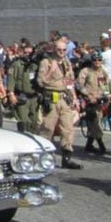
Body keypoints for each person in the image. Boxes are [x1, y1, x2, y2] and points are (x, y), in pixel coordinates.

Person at [37, 39, 82, 169]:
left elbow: (70, 82)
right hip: (51, 98)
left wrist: (74, 98)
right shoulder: (47, 62)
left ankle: (66, 158)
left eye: (64, 50)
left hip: (65, 98)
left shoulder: (67, 63)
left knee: (68, 129)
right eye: (59, 50)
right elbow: (40, 82)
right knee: (47, 128)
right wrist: (51, 71)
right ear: (54, 49)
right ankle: (44, 157)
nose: (62, 52)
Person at [76, 51, 110, 155]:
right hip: (89, 102)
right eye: (95, 59)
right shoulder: (85, 71)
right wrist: (88, 95)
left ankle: (89, 144)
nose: (97, 62)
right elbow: (79, 85)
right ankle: (101, 144)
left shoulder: (104, 72)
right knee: (95, 123)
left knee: (94, 123)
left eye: (99, 60)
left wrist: (106, 97)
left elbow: (106, 87)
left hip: (100, 102)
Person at [6, 42, 39, 134]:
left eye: (30, 53)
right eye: (25, 52)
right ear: (21, 52)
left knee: (34, 122)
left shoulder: (34, 65)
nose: (27, 55)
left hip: (34, 97)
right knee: (23, 121)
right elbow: (11, 80)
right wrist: (11, 94)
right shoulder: (16, 65)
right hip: (21, 97)